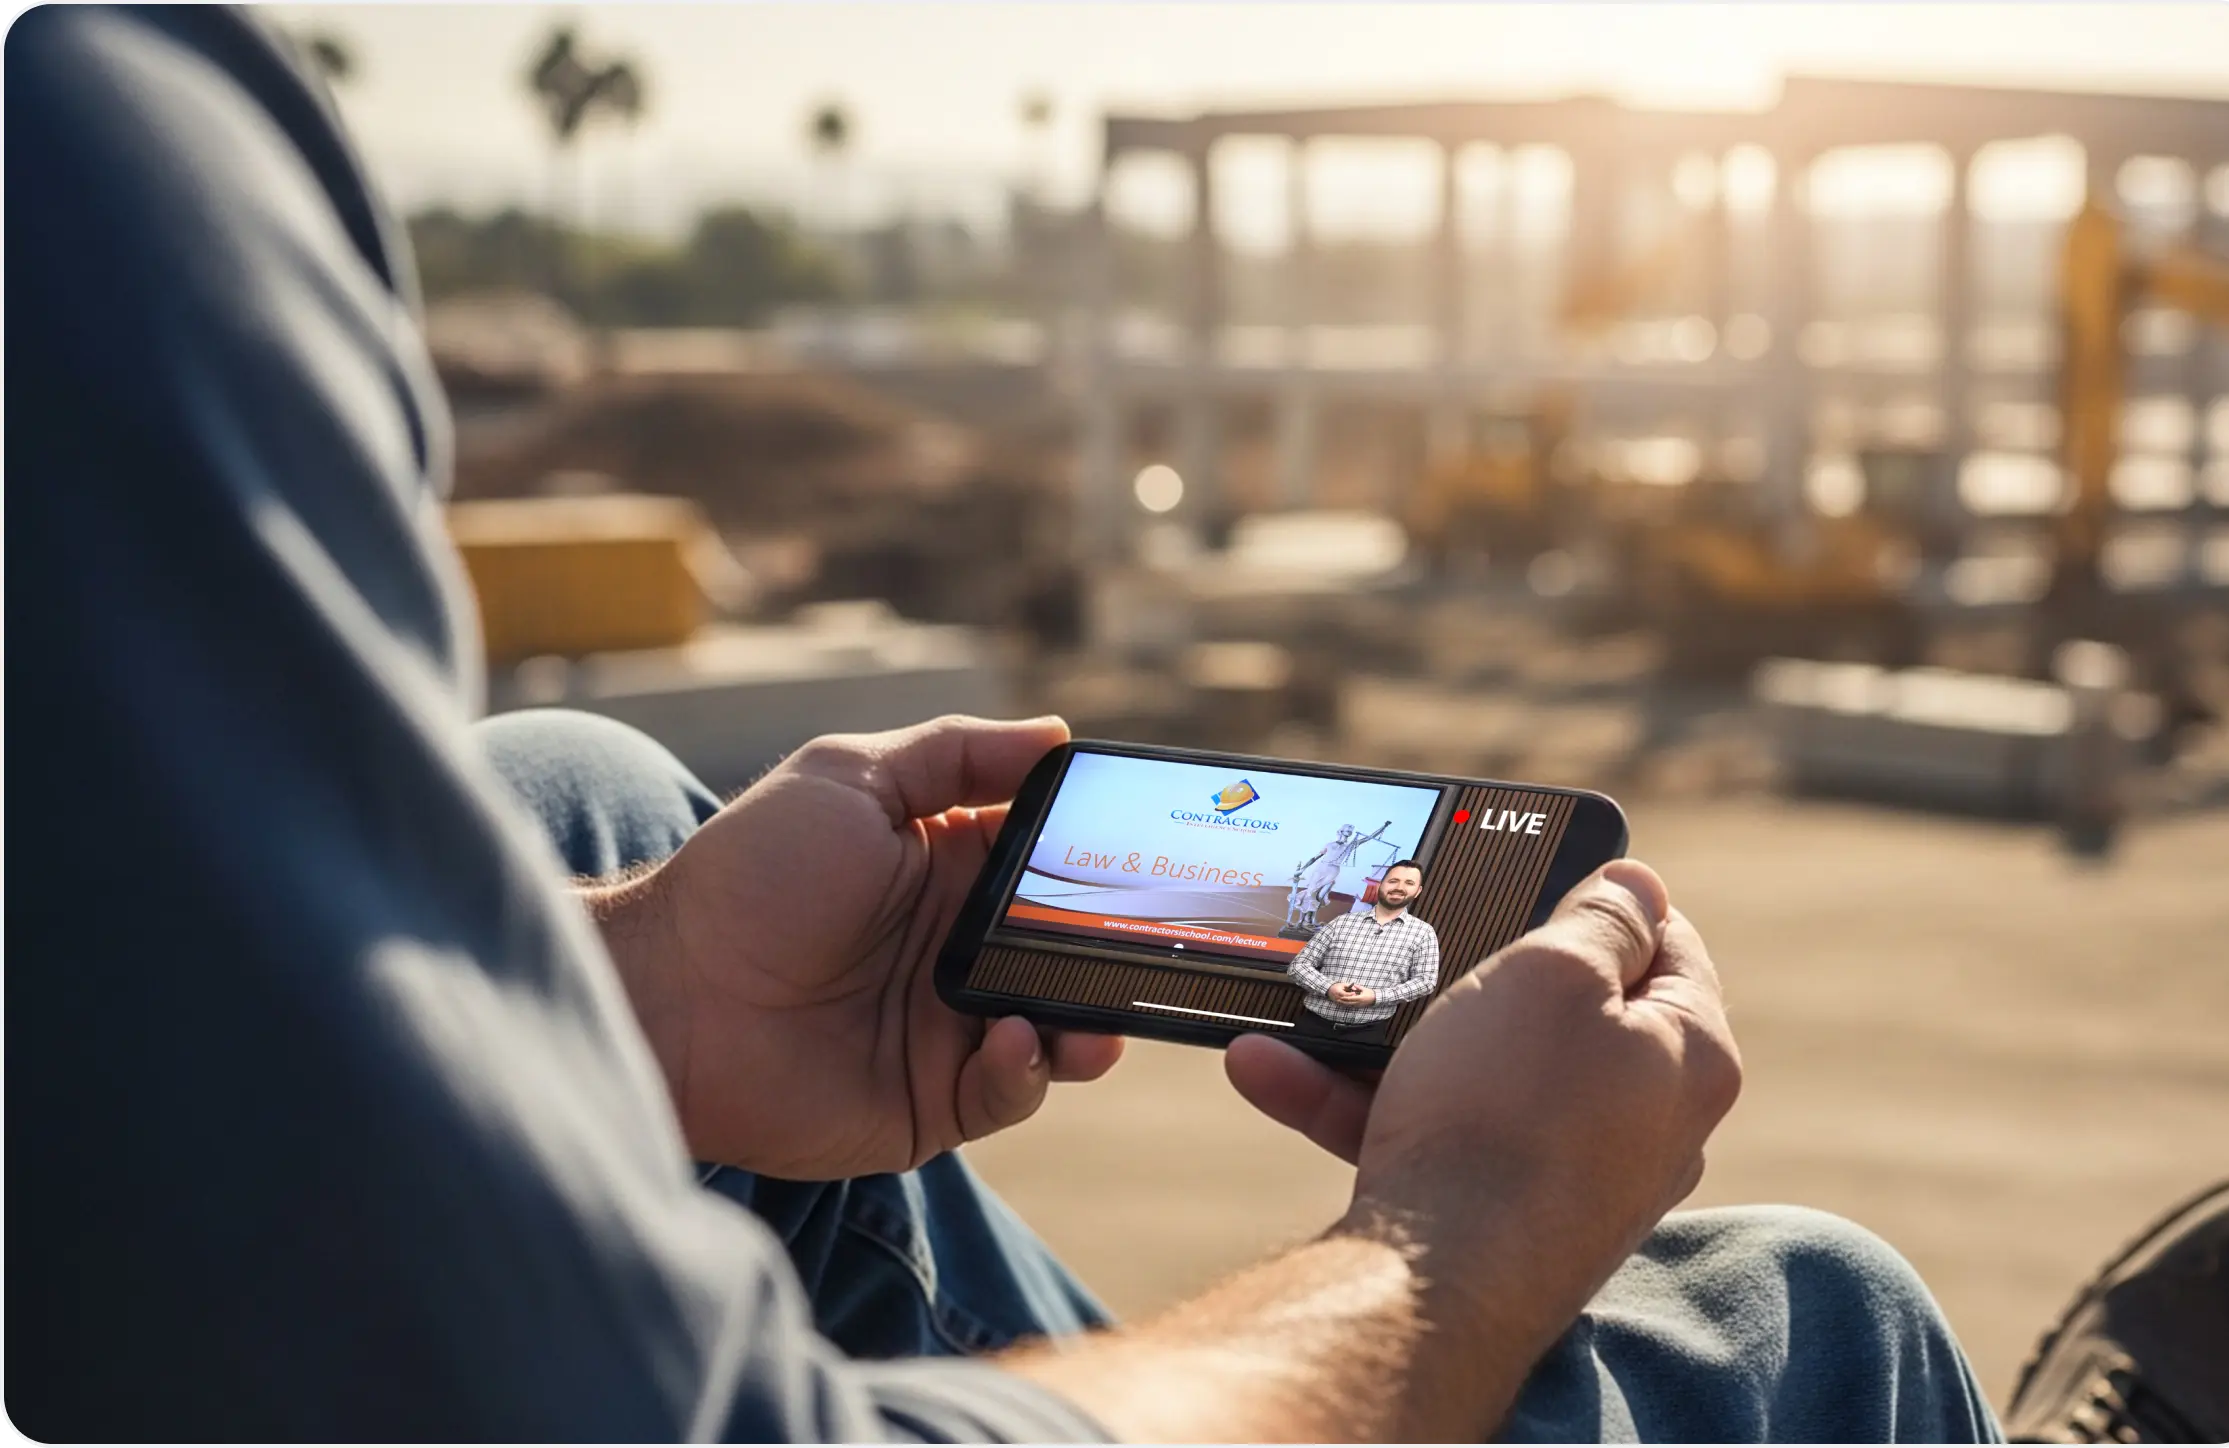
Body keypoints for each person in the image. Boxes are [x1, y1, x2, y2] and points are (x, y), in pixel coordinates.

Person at [9, 7, 2014, 1442]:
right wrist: (1461, 1236)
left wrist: (639, 997)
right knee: (1815, 1317)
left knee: (579, 797)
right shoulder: (82, 141)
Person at [1285, 860, 1440, 1047]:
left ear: (1418, 891)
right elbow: (1299, 966)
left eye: (1409, 883)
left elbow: (1425, 981)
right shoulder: (1342, 922)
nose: (1399, 887)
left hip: (1366, 1035)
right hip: (1312, 1027)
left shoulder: (1423, 933)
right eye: (1393, 881)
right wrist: (1329, 988)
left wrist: (1376, 997)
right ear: (1381, 884)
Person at [1282, 819, 1390, 934]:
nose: (1349, 832)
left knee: (1320, 896)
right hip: (1320, 869)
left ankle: (1308, 921)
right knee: (1310, 893)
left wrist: (1383, 827)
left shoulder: (1350, 846)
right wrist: (1302, 869)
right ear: (1341, 831)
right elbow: (1315, 857)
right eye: (1347, 830)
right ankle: (1303, 921)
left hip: (1333, 870)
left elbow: (1368, 838)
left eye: (1351, 831)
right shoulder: (1329, 845)